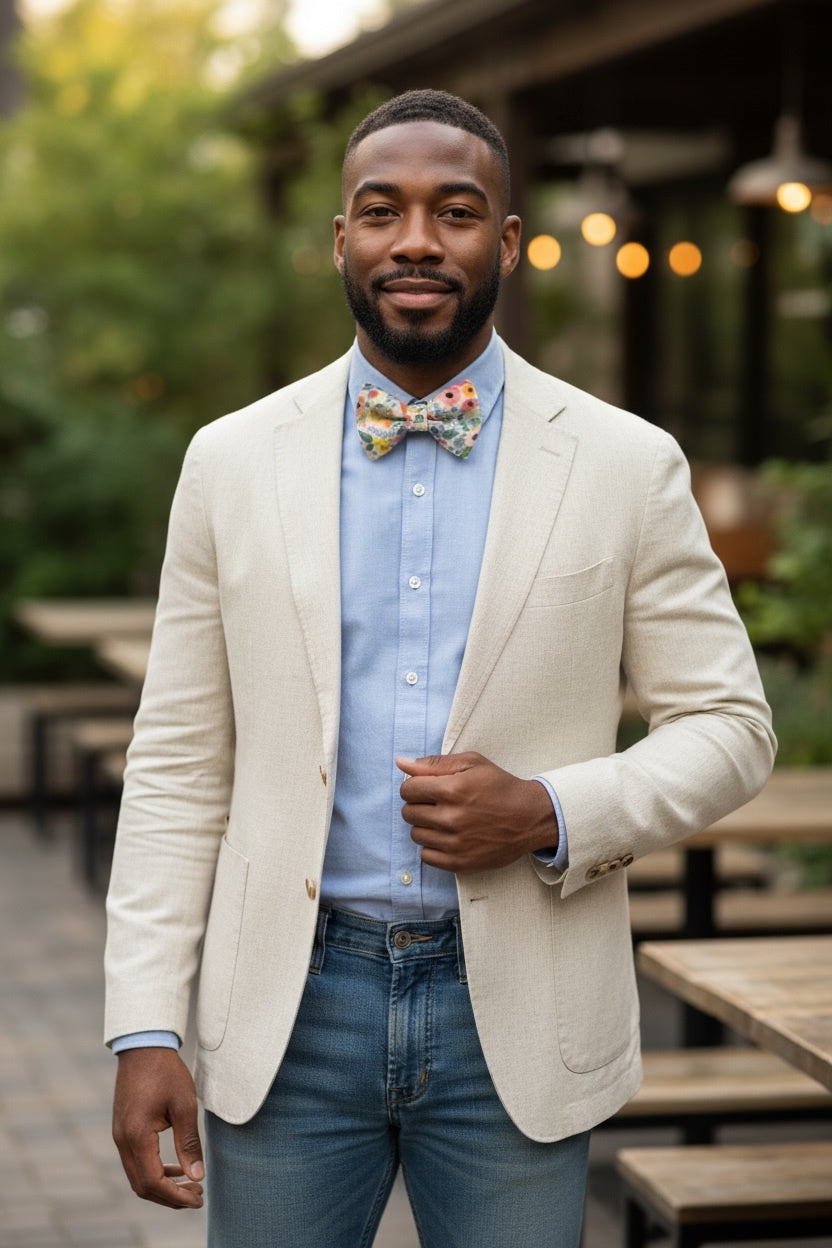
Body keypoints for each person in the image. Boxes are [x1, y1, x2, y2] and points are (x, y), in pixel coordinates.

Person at [105, 89, 775, 1248]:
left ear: (506, 242)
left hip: (515, 1009)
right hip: (286, 1012)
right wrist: (143, 1022)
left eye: (456, 211)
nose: (417, 239)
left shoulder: (625, 463)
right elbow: (176, 764)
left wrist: (549, 808)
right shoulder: (230, 461)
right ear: (341, 240)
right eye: (382, 210)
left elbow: (729, 725)